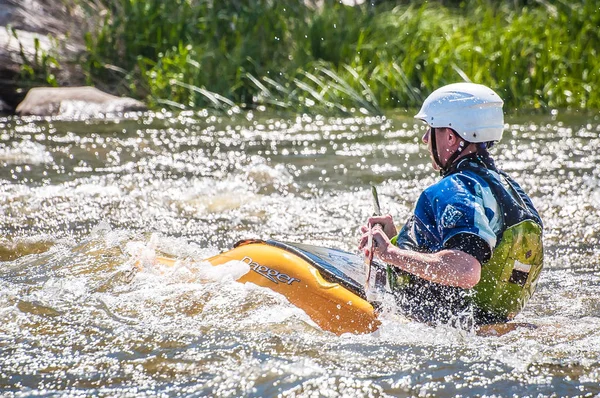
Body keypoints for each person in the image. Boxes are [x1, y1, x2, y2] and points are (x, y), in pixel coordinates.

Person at [358, 82, 544, 326]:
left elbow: (465, 271)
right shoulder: (508, 188)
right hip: (491, 324)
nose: (425, 138)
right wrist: (394, 238)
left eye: (431, 128)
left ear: (450, 135)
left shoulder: (453, 188)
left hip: (443, 326)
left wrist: (390, 253)